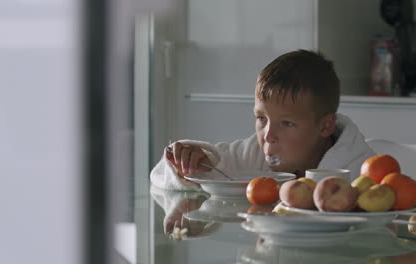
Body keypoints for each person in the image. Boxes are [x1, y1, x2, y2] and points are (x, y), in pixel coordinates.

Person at [151, 50, 375, 191]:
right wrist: (190, 165)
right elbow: (160, 177)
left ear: (325, 126)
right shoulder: (253, 155)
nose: (268, 136)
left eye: (287, 123)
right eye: (261, 119)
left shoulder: (360, 173)